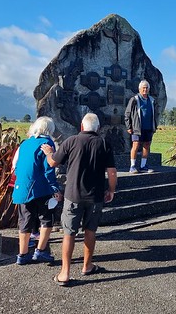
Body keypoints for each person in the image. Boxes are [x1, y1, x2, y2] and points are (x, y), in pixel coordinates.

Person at [41, 113, 117, 287]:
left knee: (69, 233)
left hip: (73, 195)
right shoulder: (104, 143)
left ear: (82, 127)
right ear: (97, 128)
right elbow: (111, 172)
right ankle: (87, 266)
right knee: (90, 231)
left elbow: (52, 163)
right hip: (95, 196)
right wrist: (111, 190)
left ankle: (65, 273)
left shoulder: (71, 141)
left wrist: (49, 152)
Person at [12, 117, 63, 265]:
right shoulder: (47, 143)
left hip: (21, 187)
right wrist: (55, 188)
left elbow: (16, 165)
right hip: (40, 188)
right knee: (46, 219)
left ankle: (22, 254)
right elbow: (49, 169)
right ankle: (40, 251)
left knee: (25, 220)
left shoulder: (25, 143)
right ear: (50, 129)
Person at [124, 79, 157, 174]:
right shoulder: (134, 99)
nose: (145, 90)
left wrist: (154, 125)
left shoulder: (152, 100)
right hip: (137, 127)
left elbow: (155, 114)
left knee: (146, 146)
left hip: (148, 127)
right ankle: (132, 166)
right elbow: (127, 113)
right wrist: (128, 126)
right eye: (143, 88)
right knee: (136, 145)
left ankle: (143, 166)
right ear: (139, 89)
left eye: (147, 88)